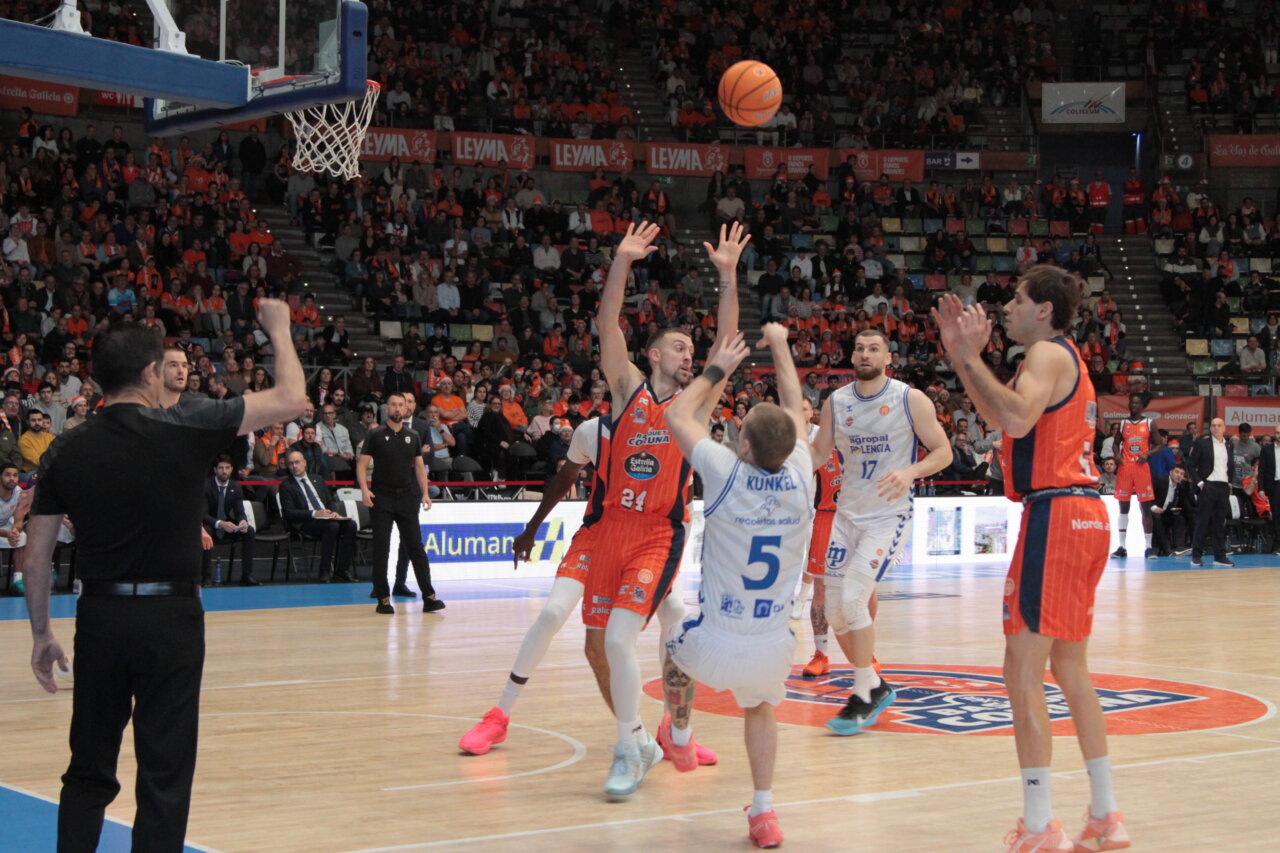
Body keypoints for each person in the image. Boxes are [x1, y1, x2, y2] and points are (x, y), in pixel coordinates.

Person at [22, 302, 306, 852]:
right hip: (172, 619)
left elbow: (34, 558)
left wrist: (41, 634)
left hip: (100, 617)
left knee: (88, 767)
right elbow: (293, 399)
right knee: (165, 773)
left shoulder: (67, 445)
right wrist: (280, 330)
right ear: (151, 372)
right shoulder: (188, 422)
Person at [932, 266, 1129, 852]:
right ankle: (1105, 814)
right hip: (1085, 514)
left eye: (1017, 299)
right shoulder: (1060, 359)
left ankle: (1041, 825)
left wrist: (968, 357)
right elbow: (1004, 416)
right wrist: (964, 359)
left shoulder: (1045, 355)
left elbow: (1012, 419)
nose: (1007, 307)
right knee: (1070, 669)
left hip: (1058, 515)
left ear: (1044, 310)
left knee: (1020, 669)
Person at [594, 221, 743, 798]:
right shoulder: (627, 385)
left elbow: (724, 351)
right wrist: (622, 261)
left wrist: (727, 278)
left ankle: (633, 745)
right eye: (680, 345)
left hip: (660, 533)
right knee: (666, 631)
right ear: (653, 353)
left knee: (618, 639)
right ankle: (674, 731)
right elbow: (608, 325)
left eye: (692, 348)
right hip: (612, 530)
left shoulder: (693, 404)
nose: (690, 352)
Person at [661, 324, 811, 849]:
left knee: (674, 641)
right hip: (773, 645)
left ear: (742, 443)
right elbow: (796, 406)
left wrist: (718, 366)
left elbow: (677, 415)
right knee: (761, 708)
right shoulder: (803, 474)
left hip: (716, 642)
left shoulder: (726, 472)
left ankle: (679, 737)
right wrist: (782, 345)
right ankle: (764, 812)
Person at [811, 329, 952, 735]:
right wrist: (784, 471)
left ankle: (863, 692)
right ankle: (874, 684)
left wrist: (910, 471)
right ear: (851, 355)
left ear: (888, 358)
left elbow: (943, 452)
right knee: (834, 611)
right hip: (845, 515)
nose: (865, 353)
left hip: (888, 517)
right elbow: (820, 453)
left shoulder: (909, 399)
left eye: (874, 348)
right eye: (859, 348)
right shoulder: (836, 402)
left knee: (854, 599)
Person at [357, 391, 442, 614]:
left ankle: (430, 596)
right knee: (382, 548)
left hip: (406, 497)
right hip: (381, 497)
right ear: (387, 408)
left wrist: (425, 493)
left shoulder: (413, 435)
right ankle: (383, 598)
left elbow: (420, 467)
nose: (396, 408)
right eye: (392, 404)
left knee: (416, 547)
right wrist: (364, 489)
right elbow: (361, 465)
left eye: (400, 405)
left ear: (406, 409)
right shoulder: (375, 434)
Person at [278, 449, 358, 582]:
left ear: (304, 463)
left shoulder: (318, 479)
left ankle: (342, 570)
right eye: (291, 463)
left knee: (350, 525)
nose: (294, 466)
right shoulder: (286, 486)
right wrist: (315, 513)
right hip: (306, 522)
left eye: (297, 462)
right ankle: (324, 571)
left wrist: (333, 512)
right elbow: (289, 512)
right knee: (331, 526)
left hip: (326, 518)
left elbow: (329, 501)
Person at [1110, 393, 1163, 560]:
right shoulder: (1123, 423)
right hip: (1126, 467)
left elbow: (1160, 444)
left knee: (1145, 508)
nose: (1134, 405)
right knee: (1123, 508)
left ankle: (1148, 547)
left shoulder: (1149, 423)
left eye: (1137, 403)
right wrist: (1117, 454)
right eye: (1131, 402)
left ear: (1142, 406)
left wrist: (1147, 454)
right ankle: (1121, 547)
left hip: (1141, 467)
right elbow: (1115, 443)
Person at [201, 454, 258, 586]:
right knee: (206, 532)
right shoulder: (206, 486)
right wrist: (220, 523)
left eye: (227, 468)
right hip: (210, 524)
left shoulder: (236, 487)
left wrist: (242, 521)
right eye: (221, 468)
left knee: (249, 531)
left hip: (227, 526)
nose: (224, 471)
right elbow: (202, 514)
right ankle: (206, 577)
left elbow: (240, 512)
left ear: (232, 469)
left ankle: (247, 576)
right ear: (215, 470)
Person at [1188, 417, 1234, 567]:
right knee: (1202, 521)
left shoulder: (1228, 445)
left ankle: (1219, 556)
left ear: (1224, 428)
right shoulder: (1203, 443)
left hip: (1223, 487)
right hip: (1208, 486)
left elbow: (1230, 466)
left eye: (1219, 425)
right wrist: (1200, 483)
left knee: (1220, 523)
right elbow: (1190, 465)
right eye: (1213, 425)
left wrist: (1229, 482)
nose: (1215, 428)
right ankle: (1196, 555)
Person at [1258, 425, 1280, 553]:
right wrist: (1261, 488)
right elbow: (1262, 470)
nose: (1279, 435)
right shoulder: (1267, 450)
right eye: (1277, 433)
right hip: (1275, 486)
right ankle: (1277, 545)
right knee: (1277, 516)